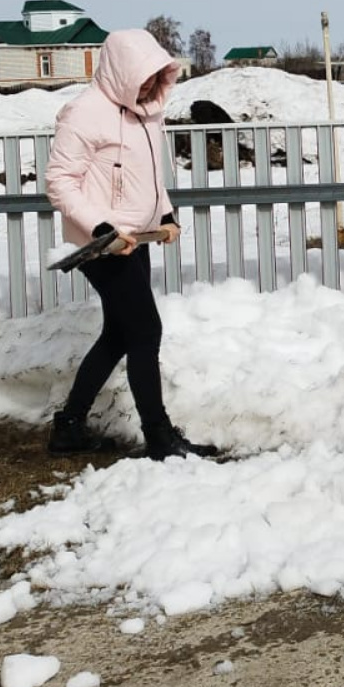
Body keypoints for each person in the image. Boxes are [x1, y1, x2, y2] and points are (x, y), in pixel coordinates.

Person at [44, 29, 219, 461]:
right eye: (142, 76)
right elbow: (60, 183)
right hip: (102, 245)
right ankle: (159, 436)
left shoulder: (147, 112)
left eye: (155, 76)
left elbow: (150, 175)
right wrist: (101, 227)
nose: (148, 85)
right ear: (121, 71)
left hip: (134, 239)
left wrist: (164, 213)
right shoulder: (84, 114)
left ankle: (69, 426)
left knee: (119, 334)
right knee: (146, 331)